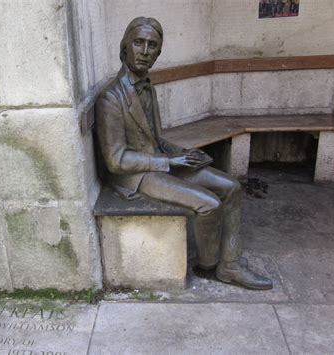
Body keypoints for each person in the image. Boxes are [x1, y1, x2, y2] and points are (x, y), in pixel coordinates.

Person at [95, 17, 272, 290]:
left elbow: (154, 139)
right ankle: (210, 266)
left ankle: (230, 264)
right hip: (134, 176)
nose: (144, 51)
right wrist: (168, 161)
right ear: (125, 47)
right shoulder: (111, 98)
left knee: (232, 187)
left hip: (159, 161)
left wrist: (183, 153)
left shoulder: (147, 87)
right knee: (209, 204)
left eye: (152, 45)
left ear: (158, 53)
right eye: (138, 43)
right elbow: (116, 160)